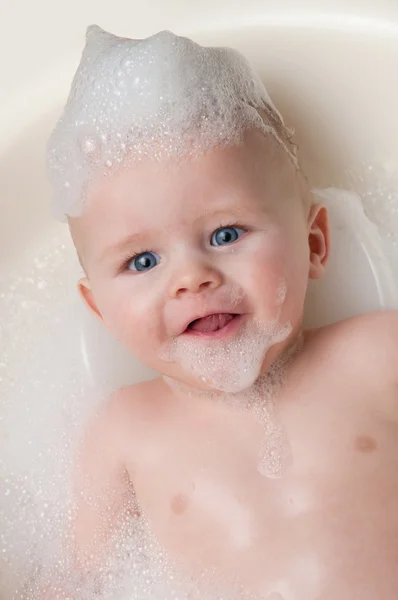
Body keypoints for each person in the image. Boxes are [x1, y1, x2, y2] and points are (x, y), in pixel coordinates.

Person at [45, 25, 398, 600]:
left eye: (226, 233)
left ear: (313, 245)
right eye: (142, 261)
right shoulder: (122, 435)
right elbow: (77, 583)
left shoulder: (380, 353)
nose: (191, 278)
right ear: (100, 311)